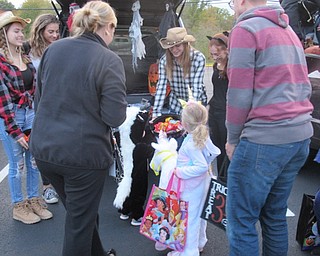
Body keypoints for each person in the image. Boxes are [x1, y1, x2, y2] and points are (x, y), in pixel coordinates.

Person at [29, 1, 127, 256]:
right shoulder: (109, 59)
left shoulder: (54, 49)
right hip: (82, 156)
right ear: (109, 27)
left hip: (45, 151)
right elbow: (114, 117)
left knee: (81, 214)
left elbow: (39, 100)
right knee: (78, 224)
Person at [225, 0, 314, 255]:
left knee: (241, 220)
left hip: (264, 139)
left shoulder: (245, 29)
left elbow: (239, 94)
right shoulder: (288, 31)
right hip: (299, 136)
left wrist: (232, 139)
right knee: (274, 216)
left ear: (241, 2)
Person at [0, 11, 53, 225]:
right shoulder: (1, 63)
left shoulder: (24, 57)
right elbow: (2, 102)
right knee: (16, 165)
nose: (21, 34)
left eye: (22, 31)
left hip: (30, 115)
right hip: (11, 117)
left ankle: (34, 200)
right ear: (4, 33)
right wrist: (15, 130)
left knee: (33, 161)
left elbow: (35, 89)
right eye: (16, 31)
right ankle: (18, 206)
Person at [168, 101, 220, 256]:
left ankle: (189, 251)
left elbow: (201, 166)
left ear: (184, 124)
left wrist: (180, 172)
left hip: (191, 186)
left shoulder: (191, 142)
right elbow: (211, 155)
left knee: (189, 218)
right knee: (200, 215)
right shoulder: (202, 137)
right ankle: (199, 243)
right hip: (202, 183)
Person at [28, 13, 60, 204]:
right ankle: (46, 188)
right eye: (51, 32)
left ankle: (55, 183)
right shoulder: (28, 51)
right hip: (34, 105)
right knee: (40, 147)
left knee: (55, 145)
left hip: (55, 103)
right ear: (41, 31)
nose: (55, 35)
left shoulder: (60, 48)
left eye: (57, 31)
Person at [152, 27, 207, 119]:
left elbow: (196, 87)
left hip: (196, 104)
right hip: (176, 104)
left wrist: (191, 111)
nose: (174, 50)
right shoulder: (164, 61)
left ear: (185, 44)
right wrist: (156, 112)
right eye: (171, 47)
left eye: (177, 46)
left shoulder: (198, 58)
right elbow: (161, 87)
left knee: (193, 132)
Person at [207, 31, 229, 182]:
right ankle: (220, 180)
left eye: (217, 54)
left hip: (227, 113)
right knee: (217, 149)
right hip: (214, 111)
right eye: (212, 54)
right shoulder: (216, 66)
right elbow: (216, 90)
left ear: (226, 49)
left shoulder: (233, 66)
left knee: (227, 149)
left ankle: (227, 180)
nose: (214, 58)